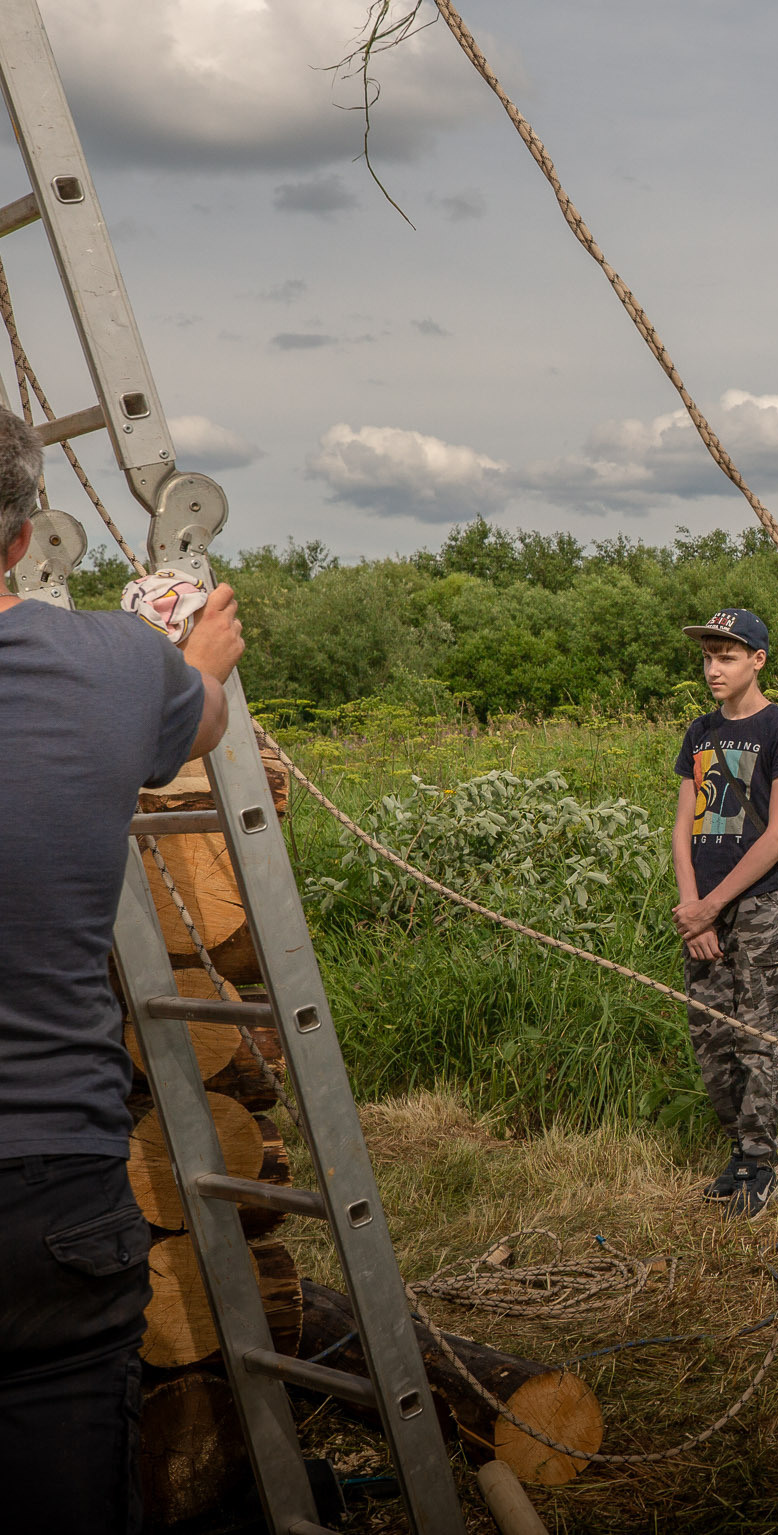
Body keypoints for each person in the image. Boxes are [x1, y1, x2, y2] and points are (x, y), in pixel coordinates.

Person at [0, 405, 244, 1534]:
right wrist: (195, 645)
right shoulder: (114, 662)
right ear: (21, 539)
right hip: (54, 1185)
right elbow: (196, 723)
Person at [671, 608, 778, 1217]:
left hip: (757, 905)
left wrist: (715, 906)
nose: (713, 668)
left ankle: (760, 1162)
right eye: (707, 657)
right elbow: (682, 826)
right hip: (701, 906)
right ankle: (736, 1151)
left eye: (726, 656)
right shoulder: (699, 733)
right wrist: (690, 908)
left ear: (757, 660)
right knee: (711, 1038)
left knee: (756, 1035)